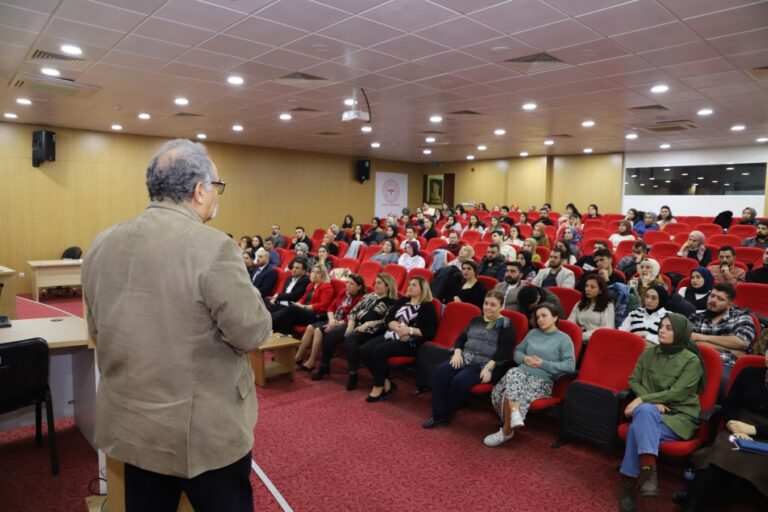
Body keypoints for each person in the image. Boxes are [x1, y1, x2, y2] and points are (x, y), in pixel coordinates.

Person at [82, 139, 271, 510]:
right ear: (200, 191)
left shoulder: (102, 243)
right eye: (217, 188)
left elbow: (97, 328)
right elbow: (251, 332)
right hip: (200, 435)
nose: (217, 197)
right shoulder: (214, 247)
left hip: (132, 426)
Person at [618, 313, 705, 512]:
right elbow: (634, 380)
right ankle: (648, 473)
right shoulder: (649, 352)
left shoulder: (691, 361)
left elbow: (678, 393)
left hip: (678, 417)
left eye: (669, 328)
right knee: (646, 414)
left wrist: (643, 399)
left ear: (681, 333)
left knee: (635, 429)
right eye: (661, 326)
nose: (662, 330)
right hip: (649, 412)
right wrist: (650, 402)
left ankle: (628, 485)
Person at [680, 351, 768, 511]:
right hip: (738, 425)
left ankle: (693, 495)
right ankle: (691, 505)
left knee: (744, 480)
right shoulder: (749, 373)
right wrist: (733, 423)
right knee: (719, 457)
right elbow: (729, 405)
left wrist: (754, 430)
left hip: (764, 437)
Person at [483, 303, 576, 446]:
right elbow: (517, 352)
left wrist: (543, 364)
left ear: (555, 317)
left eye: (544, 315)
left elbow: (570, 366)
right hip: (520, 376)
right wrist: (524, 358)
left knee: (512, 378)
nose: (540, 319)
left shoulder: (564, 339)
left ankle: (507, 431)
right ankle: (515, 413)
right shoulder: (533, 333)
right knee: (513, 376)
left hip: (541, 383)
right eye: (538, 317)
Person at [423, 290, 516, 428]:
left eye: (493, 305)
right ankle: (438, 413)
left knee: (459, 381)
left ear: (501, 307)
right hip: (464, 359)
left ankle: (448, 413)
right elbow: (461, 339)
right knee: (441, 371)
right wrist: (457, 353)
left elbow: (504, 350)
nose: (488, 307)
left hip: (484, 364)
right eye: (486, 303)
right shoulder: (476, 320)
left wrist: (488, 368)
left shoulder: (505, 323)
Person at [312, 273, 398, 388]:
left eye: (379, 283)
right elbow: (354, 311)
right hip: (355, 325)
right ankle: (324, 367)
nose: (375, 285)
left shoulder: (391, 303)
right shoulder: (369, 296)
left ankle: (353, 374)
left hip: (372, 331)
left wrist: (367, 324)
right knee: (330, 335)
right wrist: (351, 323)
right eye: (375, 282)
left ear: (387, 286)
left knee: (350, 338)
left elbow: (386, 321)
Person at [360, 277, 438, 402]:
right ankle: (386, 383)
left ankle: (378, 386)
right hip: (392, 334)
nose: (409, 287)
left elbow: (430, 332)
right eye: (409, 284)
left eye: (414, 285)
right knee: (365, 349)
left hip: (408, 341)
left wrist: (409, 330)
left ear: (422, 289)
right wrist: (396, 327)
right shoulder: (404, 300)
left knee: (379, 351)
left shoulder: (427, 307)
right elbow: (389, 318)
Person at [296, 274, 365, 373]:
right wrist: (332, 320)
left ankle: (311, 361)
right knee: (310, 327)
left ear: (359, 287)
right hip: (332, 319)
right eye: (347, 283)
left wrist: (335, 323)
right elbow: (331, 308)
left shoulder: (360, 299)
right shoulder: (343, 292)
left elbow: (352, 317)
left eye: (352, 284)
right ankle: (298, 356)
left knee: (318, 330)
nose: (348, 285)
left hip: (343, 324)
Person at [689, 283, 756, 360]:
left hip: (727, 362)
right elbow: (691, 342)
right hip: (699, 360)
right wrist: (729, 349)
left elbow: (742, 342)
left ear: (729, 304)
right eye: (712, 296)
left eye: (720, 299)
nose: (713, 300)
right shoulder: (696, 317)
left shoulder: (742, 316)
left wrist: (703, 337)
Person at [271, 264, 334, 338]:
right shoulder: (311, 285)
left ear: (323, 275)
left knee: (292, 309)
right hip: (305, 312)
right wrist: (298, 303)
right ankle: (285, 338)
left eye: (318, 272)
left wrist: (304, 307)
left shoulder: (327, 287)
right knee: (288, 316)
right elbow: (303, 299)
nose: (314, 274)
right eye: (313, 272)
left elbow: (324, 305)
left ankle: (268, 323)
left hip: (316, 315)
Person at [568, 274, 615, 342]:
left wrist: (582, 335)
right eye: (586, 286)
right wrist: (574, 333)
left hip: (596, 341)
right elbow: (570, 322)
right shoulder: (580, 303)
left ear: (600, 290)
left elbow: (607, 328)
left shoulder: (607, 305)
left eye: (592, 287)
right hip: (577, 339)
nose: (588, 289)